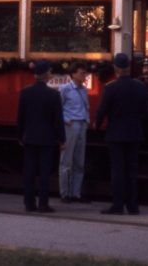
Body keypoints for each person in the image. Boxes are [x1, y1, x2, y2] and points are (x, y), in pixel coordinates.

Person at [95, 53, 148, 215]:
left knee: (118, 171)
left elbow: (102, 110)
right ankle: (133, 206)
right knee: (132, 170)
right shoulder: (140, 87)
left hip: (116, 134)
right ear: (130, 68)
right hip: (134, 134)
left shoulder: (111, 87)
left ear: (115, 68)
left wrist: (97, 126)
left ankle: (117, 205)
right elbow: (145, 111)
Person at [16, 59, 66, 213]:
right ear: (46, 75)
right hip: (47, 139)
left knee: (29, 171)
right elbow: (58, 119)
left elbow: (21, 117)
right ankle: (43, 203)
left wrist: (20, 136)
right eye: (50, 72)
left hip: (30, 137)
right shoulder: (53, 95)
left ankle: (29, 203)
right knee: (45, 172)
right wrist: (62, 139)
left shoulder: (26, 92)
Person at [59, 61, 90, 204]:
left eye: (85, 73)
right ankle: (65, 193)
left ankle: (76, 193)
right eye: (81, 73)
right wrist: (66, 120)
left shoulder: (83, 89)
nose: (84, 76)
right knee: (66, 161)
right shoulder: (65, 89)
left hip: (81, 124)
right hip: (71, 126)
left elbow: (85, 107)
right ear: (73, 74)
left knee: (79, 162)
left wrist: (86, 120)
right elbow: (57, 108)